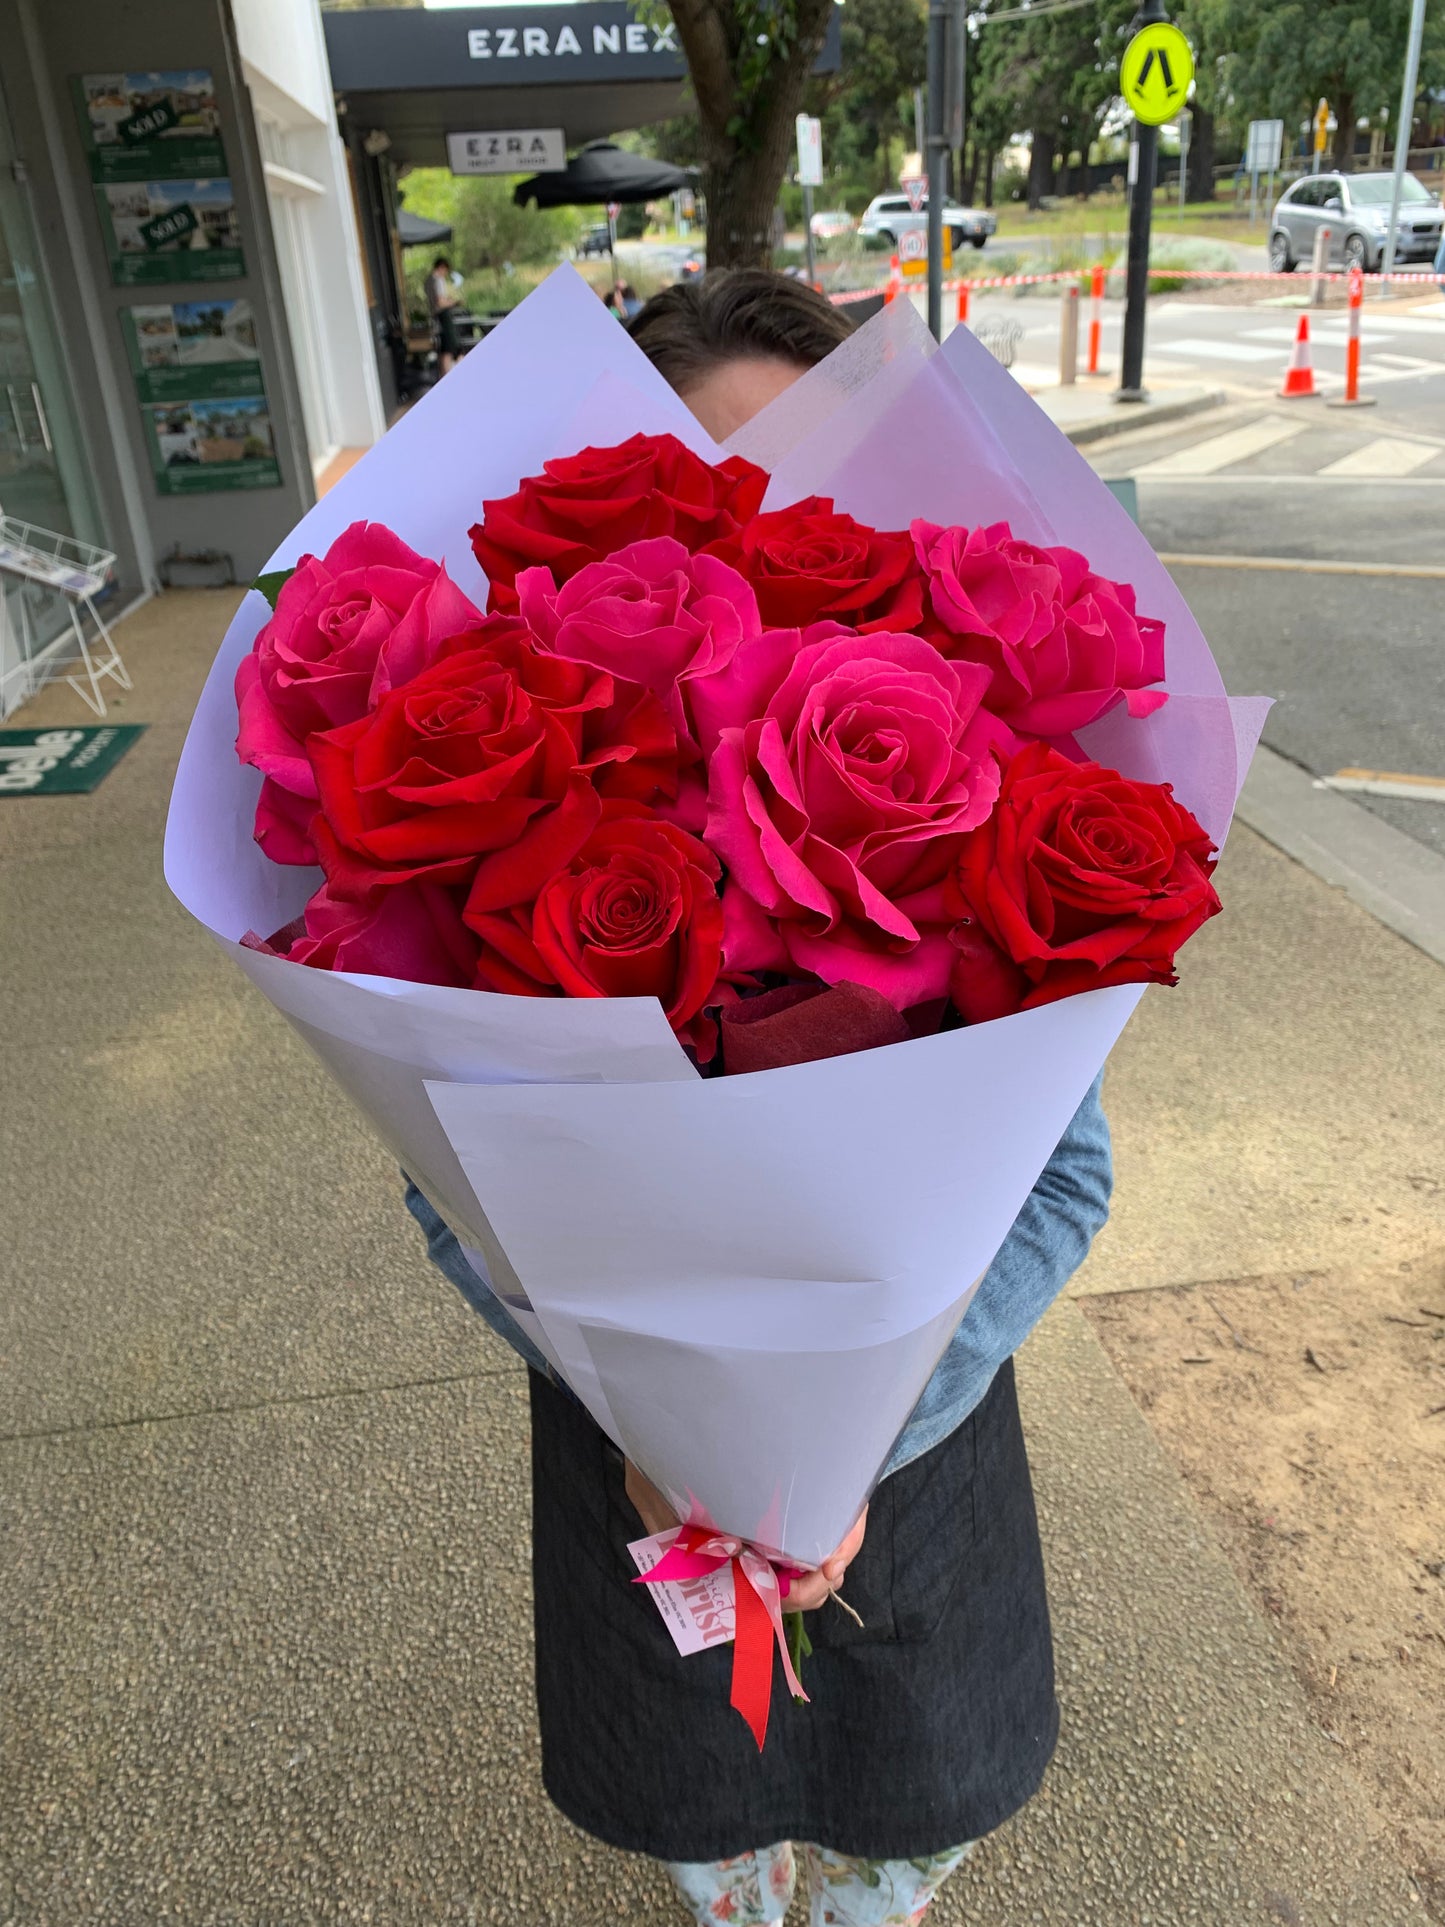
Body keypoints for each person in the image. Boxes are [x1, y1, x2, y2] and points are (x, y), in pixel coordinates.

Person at [404, 269, 1114, 1927]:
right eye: (705, 485)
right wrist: (673, 1441)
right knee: (700, 1812)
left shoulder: (977, 805)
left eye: (805, 484)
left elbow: (1063, 1178)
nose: (754, 536)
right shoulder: (530, 835)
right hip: (633, 1465)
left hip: (924, 1449)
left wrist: (851, 1442)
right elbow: (451, 1188)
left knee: (907, 1807)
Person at [426, 253, 463, 374]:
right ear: (442, 267)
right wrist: (453, 302)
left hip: (436, 316)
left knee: (444, 349)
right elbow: (440, 302)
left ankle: (444, 374)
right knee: (450, 348)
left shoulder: (428, 280)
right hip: (443, 315)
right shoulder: (438, 280)